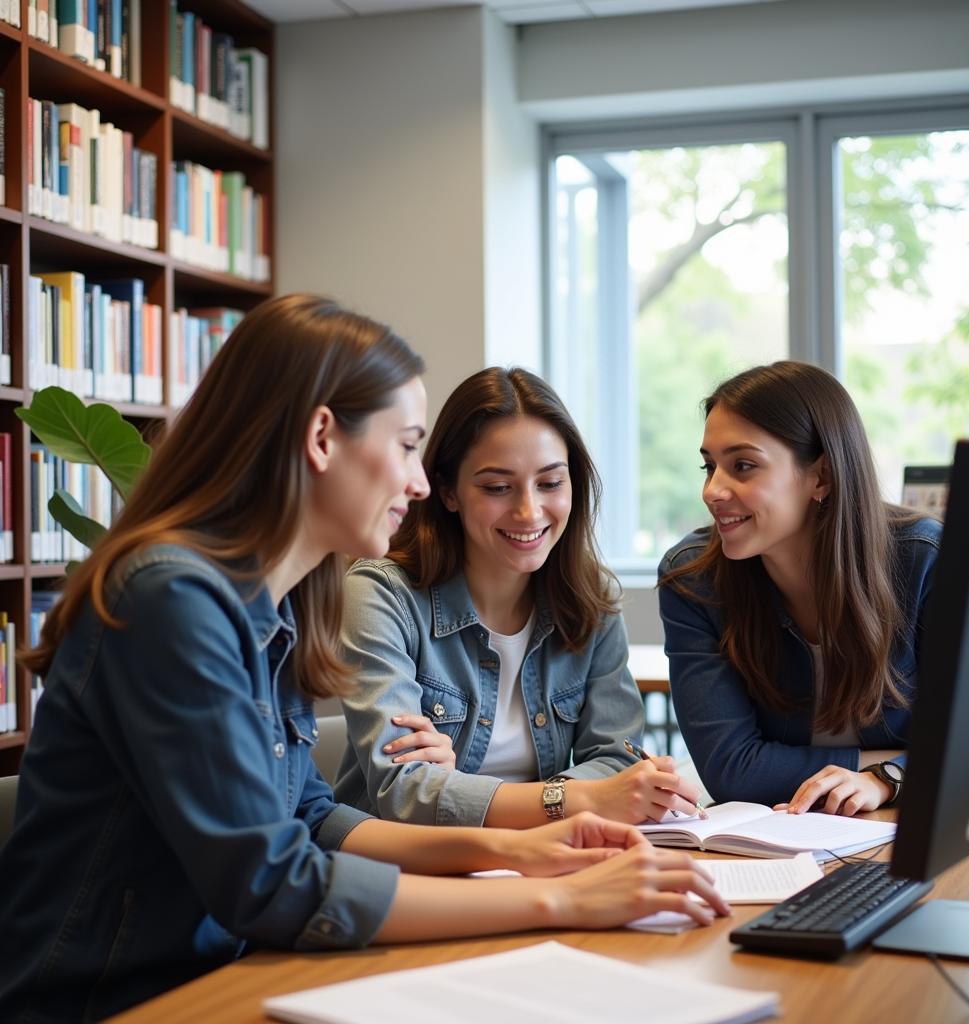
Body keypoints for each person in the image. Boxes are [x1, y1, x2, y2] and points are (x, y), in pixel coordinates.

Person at [0, 297, 729, 1023]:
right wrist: (559, 896)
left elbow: (313, 816)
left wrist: (533, 849)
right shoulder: (171, 600)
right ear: (322, 437)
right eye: (409, 445)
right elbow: (269, 881)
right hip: (111, 1001)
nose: (418, 484)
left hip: (231, 974)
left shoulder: (278, 600)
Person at [334, 367, 702, 827]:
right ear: (448, 490)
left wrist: (459, 785)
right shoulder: (381, 594)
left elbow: (615, 758)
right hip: (400, 873)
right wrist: (575, 799)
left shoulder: (593, 599)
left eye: (550, 483)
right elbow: (404, 792)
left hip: (536, 862)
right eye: (497, 487)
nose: (529, 512)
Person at [658, 361, 942, 816]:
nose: (712, 490)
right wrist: (893, 764)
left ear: (822, 477)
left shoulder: (924, 560)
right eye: (709, 466)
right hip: (783, 840)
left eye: (743, 465)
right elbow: (732, 770)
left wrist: (889, 779)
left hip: (906, 829)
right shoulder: (693, 579)